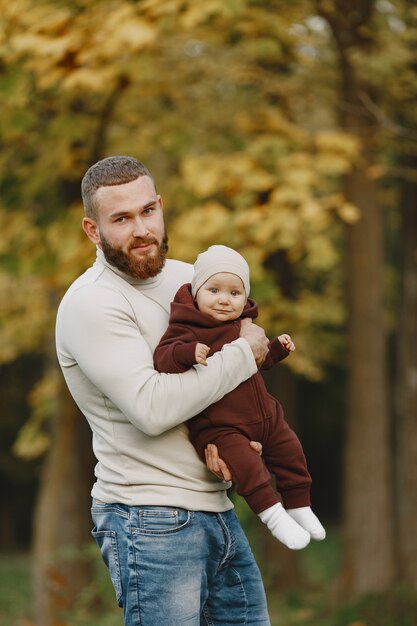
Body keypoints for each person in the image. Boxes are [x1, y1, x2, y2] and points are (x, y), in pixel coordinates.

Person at [55, 156, 274, 626]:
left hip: (217, 508)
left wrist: (233, 438)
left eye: (147, 211)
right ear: (93, 230)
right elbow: (153, 408)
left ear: (160, 205)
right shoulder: (93, 303)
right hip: (149, 520)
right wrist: (243, 352)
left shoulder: (190, 278)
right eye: (121, 219)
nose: (140, 229)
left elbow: (239, 353)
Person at [154, 245, 326, 550]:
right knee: (249, 467)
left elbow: (258, 362)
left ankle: (300, 505)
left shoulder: (241, 326)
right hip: (222, 425)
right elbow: (163, 358)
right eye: (214, 290)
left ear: (244, 298)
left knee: (291, 451)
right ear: (196, 293)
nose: (224, 299)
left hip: (265, 415)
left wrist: (277, 350)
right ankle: (274, 516)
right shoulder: (187, 326)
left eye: (234, 294)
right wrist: (187, 353)